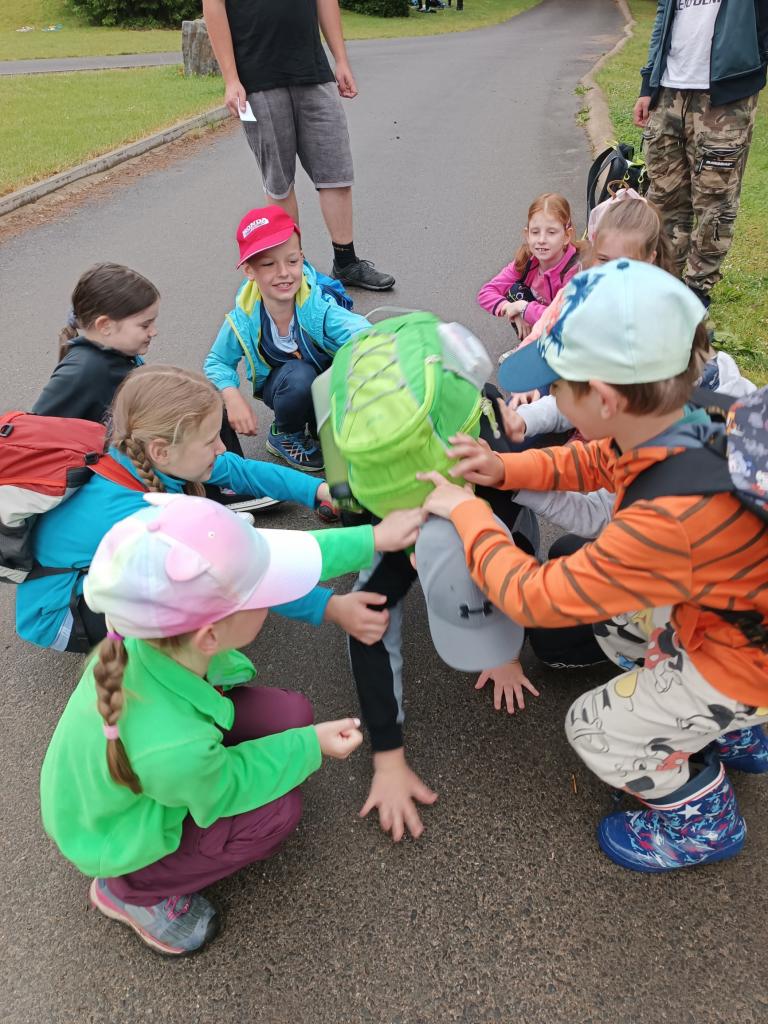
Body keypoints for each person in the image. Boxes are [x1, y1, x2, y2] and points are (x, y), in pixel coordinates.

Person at [420, 258, 768, 873]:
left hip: (744, 660)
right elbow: (589, 463)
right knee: (616, 621)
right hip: (730, 615)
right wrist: (504, 468)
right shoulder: (693, 414)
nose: (551, 397)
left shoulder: (666, 519)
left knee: (591, 729)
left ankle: (703, 819)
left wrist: (470, 514)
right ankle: (728, 727)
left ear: (604, 399)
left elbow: (533, 597)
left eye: (557, 386)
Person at [40, 492, 423, 955]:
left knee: (292, 715)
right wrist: (311, 746)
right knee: (277, 814)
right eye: (262, 596)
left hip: (152, 769)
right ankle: (131, 891)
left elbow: (273, 557)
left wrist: (374, 539)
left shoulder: (151, 634)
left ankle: (147, 867)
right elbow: (227, 787)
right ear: (210, 637)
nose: (275, 596)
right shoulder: (173, 747)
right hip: (118, 833)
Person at [16, 365, 400, 654]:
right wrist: (331, 607)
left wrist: (318, 490)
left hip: (84, 576)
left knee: (211, 556)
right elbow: (244, 568)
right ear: (162, 451)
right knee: (210, 573)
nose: (222, 447)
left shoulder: (143, 454)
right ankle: (162, 674)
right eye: (210, 440)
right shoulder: (141, 515)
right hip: (63, 614)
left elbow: (241, 469)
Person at [201, 0, 395, 292]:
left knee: (336, 171)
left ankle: (346, 262)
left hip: (313, 70)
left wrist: (341, 60)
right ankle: (293, 270)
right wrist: (231, 79)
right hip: (257, 77)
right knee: (279, 182)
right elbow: (214, 8)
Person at [204, 206, 369, 472]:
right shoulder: (243, 318)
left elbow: (362, 332)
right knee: (298, 376)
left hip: (331, 387)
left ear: (301, 258)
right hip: (291, 387)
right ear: (249, 271)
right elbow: (217, 361)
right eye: (269, 265)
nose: (284, 272)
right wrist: (231, 396)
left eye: (292, 261)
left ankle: (324, 423)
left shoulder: (317, 306)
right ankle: (285, 433)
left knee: (346, 433)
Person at [632, 0, 768, 308]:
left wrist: (752, 66)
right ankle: (663, 282)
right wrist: (648, 83)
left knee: (714, 202)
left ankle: (696, 293)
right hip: (669, 90)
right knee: (663, 196)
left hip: (724, 95)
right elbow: (664, 15)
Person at [33, 263, 159, 424]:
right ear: (105, 326)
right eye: (145, 325)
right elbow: (38, 426)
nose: (154, 332)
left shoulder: (119, 355)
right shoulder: (85, 370)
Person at [476, 193, 584, 373]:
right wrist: (510, 308)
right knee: (515, 291)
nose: (541, 239)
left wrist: (524, 308)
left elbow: (565, 321)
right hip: (544, 322)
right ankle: (532, 348)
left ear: (567, 235)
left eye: (551, 232)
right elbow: (486, 292)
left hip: (571, 335)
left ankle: (549, 360)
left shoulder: (575, 270)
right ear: (527, 234)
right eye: (535, 232)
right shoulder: (527, 261)